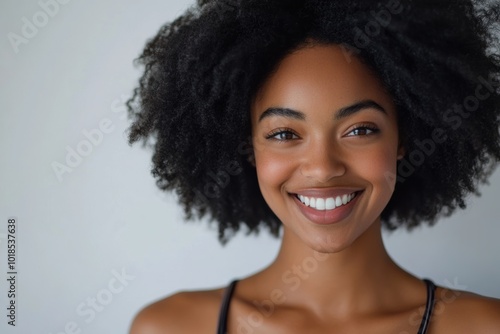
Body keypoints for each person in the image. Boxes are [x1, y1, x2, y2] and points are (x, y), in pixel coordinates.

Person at [126, 0, 500, 332]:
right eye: (285, 134)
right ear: (248, 147)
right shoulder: (170, 327)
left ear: (403, 139)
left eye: (360, 129)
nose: (322, 169)